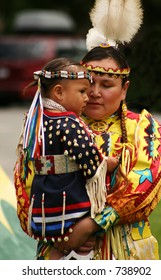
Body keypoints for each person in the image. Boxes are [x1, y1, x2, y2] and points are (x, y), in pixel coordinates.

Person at [50, 45, 161, 260]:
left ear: (124, 89)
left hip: (126, 250)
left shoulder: (143, 128)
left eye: (106, 85)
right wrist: (62, 233)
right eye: (88, 84)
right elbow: (27, 184)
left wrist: (91, 225)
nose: (94, 93)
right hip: (59, 244)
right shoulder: (50, 126)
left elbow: (146, 182)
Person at [14, 57, 119, 260]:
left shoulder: (35, 119)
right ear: (59, 92)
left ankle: (58, 253)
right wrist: (107, 164)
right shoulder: (69, 122)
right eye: (82, 92)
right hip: (70, 205)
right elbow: (88, 159)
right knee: (84, 246)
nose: (87, 97)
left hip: (44, 204)